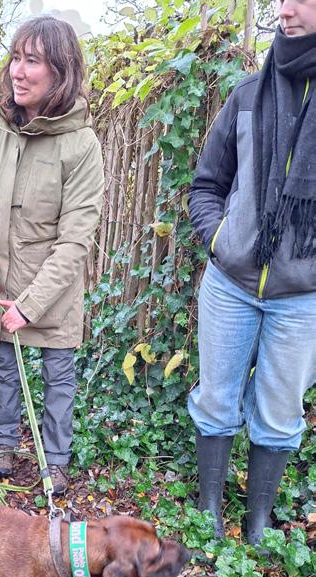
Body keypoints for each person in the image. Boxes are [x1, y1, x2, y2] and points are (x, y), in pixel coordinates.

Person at [0, 16, 104, 494]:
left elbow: (75, 239)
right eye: (15, 58)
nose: (17, 71)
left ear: (60, 71)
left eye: (32, 61)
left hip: (52, 291)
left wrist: (31, 304)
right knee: (2, 366)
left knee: (58, 375)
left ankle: (55, 460)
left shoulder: (81, 145)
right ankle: (4, 443)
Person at [188, 0, 316, 544]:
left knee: (281, 412)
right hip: (230, 285)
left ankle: (258, 519)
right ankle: (210, 509)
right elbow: (206, 185)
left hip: (303, 297)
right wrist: (222, 240)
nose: (284, 9)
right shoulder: (247, 95)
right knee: (216, 399)